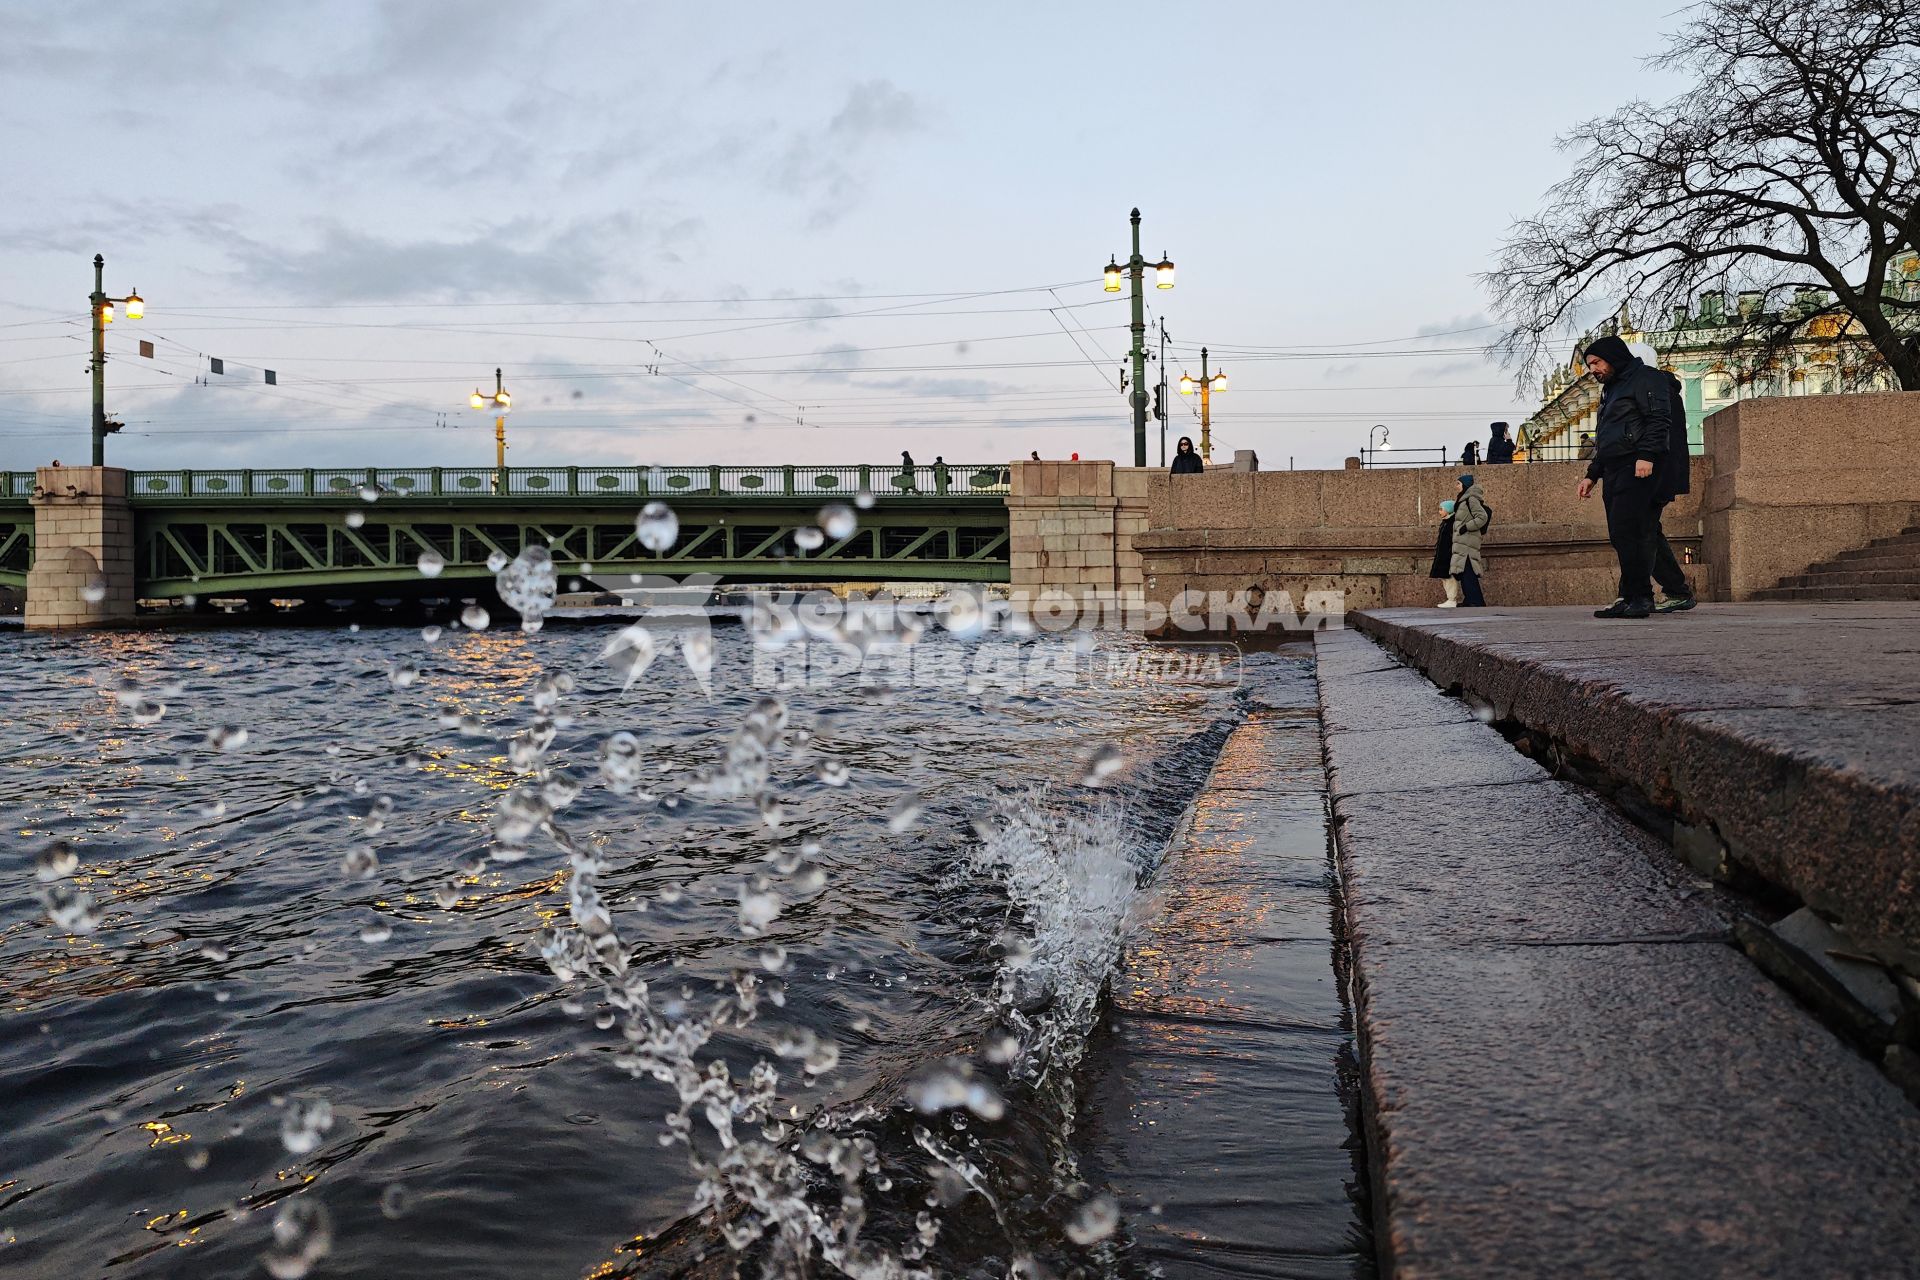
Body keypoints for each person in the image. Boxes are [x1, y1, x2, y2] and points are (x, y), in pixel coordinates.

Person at [1575, 334, 1672, 618]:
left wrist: (1647, 455)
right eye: (1590, 364)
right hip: (1615, 467)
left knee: (1635, 531)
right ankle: (1630, 596)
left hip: (1637, 465)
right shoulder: (1611, 389)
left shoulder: (1647, 378)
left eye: (1596, 362)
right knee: (1620, 534)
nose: (1593, 369)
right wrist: (1592, 474)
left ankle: (1641, 598)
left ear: (1613, 356)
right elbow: (1606, 437)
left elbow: (1659, 419)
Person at [1449, 474, 1490, 606]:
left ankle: (1476, 601)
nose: (1456, 486)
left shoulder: (1470, 499)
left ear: (1465, 485)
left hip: (1467, 541)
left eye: (1458, 484)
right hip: (1463, 542)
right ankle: (1470, 599)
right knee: (1465, 571)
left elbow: (1482, 517)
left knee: (1468, 571)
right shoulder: (1463, 499)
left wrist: (1466, 527)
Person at [1430, 498, 1460, 606]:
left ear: (1448, 510)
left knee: (1449, 578)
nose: (1439, 511)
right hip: (1443, 554)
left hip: (1448, 554)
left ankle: (1452, 599)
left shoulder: (1451, 522)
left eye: (1441, 509)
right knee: (1444, 577)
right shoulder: (1446, 522)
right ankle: (1450, 598)